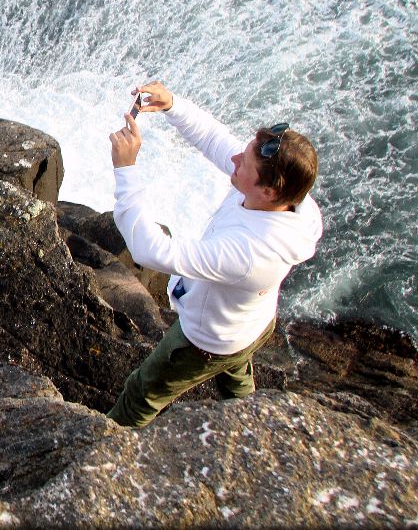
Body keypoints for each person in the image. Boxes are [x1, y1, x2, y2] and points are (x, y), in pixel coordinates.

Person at [105, 80, 322, 427]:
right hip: (252, 325)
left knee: (141, 392)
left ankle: (104, 450)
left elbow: (150, 250)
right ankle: (248, 421)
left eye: (244, 164)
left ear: (268, 191)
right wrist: (173, 105)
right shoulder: (295, 204)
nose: (235, 159)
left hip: (206, 341)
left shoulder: (250, 252)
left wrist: (125, 169)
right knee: (236, 376)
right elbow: (216, 141)